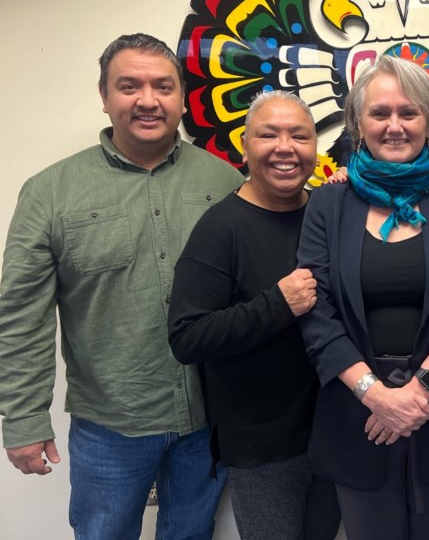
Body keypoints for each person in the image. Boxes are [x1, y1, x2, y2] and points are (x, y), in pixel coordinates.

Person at [0, 33, 245, 538]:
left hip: (210, 417)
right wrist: (22, 419)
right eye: (129, 86)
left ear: (181, 96)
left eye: (162, 86)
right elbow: (22, 317)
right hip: (111, 423)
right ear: (104, 97)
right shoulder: (50, 192)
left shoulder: (226, 182)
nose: (147, 100)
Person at [296, 55, 429, 539]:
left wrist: (416, 392)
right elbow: (315, 311)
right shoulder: (328, 201)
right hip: (356, 409)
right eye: (380, 113)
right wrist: (376, 395)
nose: (394, 126)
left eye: (409, 113)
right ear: (358, 124)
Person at [168, 91, 340, 540]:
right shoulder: (221, 227)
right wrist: (277, 304)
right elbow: (187, 337)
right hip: (263, 447)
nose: (285, 147)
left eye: (299, 136)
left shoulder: (328, 213)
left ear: (314, 149)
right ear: (245, 146)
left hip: (333, 431)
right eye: (269, 135)